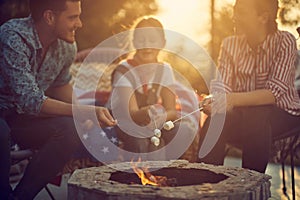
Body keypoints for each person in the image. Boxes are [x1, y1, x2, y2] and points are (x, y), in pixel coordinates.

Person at [0, 0, 116, 199]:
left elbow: (60, 85)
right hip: (3, 115)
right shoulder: (12, 36)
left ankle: (20, 197)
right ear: (50, 17)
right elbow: (31, 100)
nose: (79, 24)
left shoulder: (66, 46)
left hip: (23, 121)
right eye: (73, 17)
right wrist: (85, 111)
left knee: (70, 129)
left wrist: (82, 117)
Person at [199, 0, 300, 173]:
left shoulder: (285, 41)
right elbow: (223, 87)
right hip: (243, 116)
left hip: (283, 115)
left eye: (241, 12)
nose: (234, 17)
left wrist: (228, 99)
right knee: (216, 120)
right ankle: (205, 182)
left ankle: (250, 182)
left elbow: (272, 94)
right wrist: (216, 101)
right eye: (235, 11)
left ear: (263, 17)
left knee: (256, 113)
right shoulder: (230, 44)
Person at [106, 16, 187, 160]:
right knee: (139, 139)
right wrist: (150, 115)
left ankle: (169, 173)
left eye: (153, 40)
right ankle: (137, 178)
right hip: (124, 120)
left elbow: (172, 110)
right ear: (134, 42)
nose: (147, 45)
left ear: (163, 43)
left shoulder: (165, 70)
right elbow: (131, 113)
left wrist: (162, 117)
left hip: (151, 119)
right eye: (141, 40)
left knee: (183, 131)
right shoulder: (124, 70)